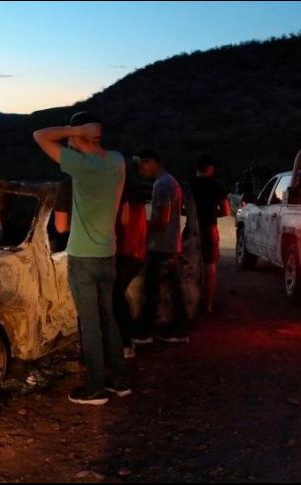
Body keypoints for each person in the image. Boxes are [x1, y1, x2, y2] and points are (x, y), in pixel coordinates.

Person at [33, 111, 128, 406]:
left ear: (77, 137)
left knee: (89, 322)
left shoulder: (80, 166)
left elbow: (39, 135)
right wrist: (84, 133)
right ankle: (120, 382)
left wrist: (72, 129)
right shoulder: (116, 160)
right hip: (107, 252)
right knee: (108, 318)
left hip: (83, 254)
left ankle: (96, 388)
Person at [135, 148, 190, 344]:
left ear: (153, 162)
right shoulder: (169, 182)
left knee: (151, 290)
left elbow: (163, 219)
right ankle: (180, 331)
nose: (141, 168)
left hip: (162, 246)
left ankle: (146, 333)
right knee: (174, 290)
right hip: (171, 245)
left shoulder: (162, 184)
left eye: (143, 164)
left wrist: (140, 225)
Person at [112, 159, 149, 359]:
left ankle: (126, 342)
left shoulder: (123, 191)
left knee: (115, 295)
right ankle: (127, 339)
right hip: (135, 252)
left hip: (128, 252)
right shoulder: (132, 191)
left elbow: (124, 221)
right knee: (117, 295)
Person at [187, 154, 230, 314]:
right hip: (209, 228)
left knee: (190, 265)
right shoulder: (217, 185)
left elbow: (183, 208)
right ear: (210, 168)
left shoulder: (189, 185)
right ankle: (209, 305)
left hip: (191, 228)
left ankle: (191, 301)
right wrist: (213, 214)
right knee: (210, 266)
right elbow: (225, 210)